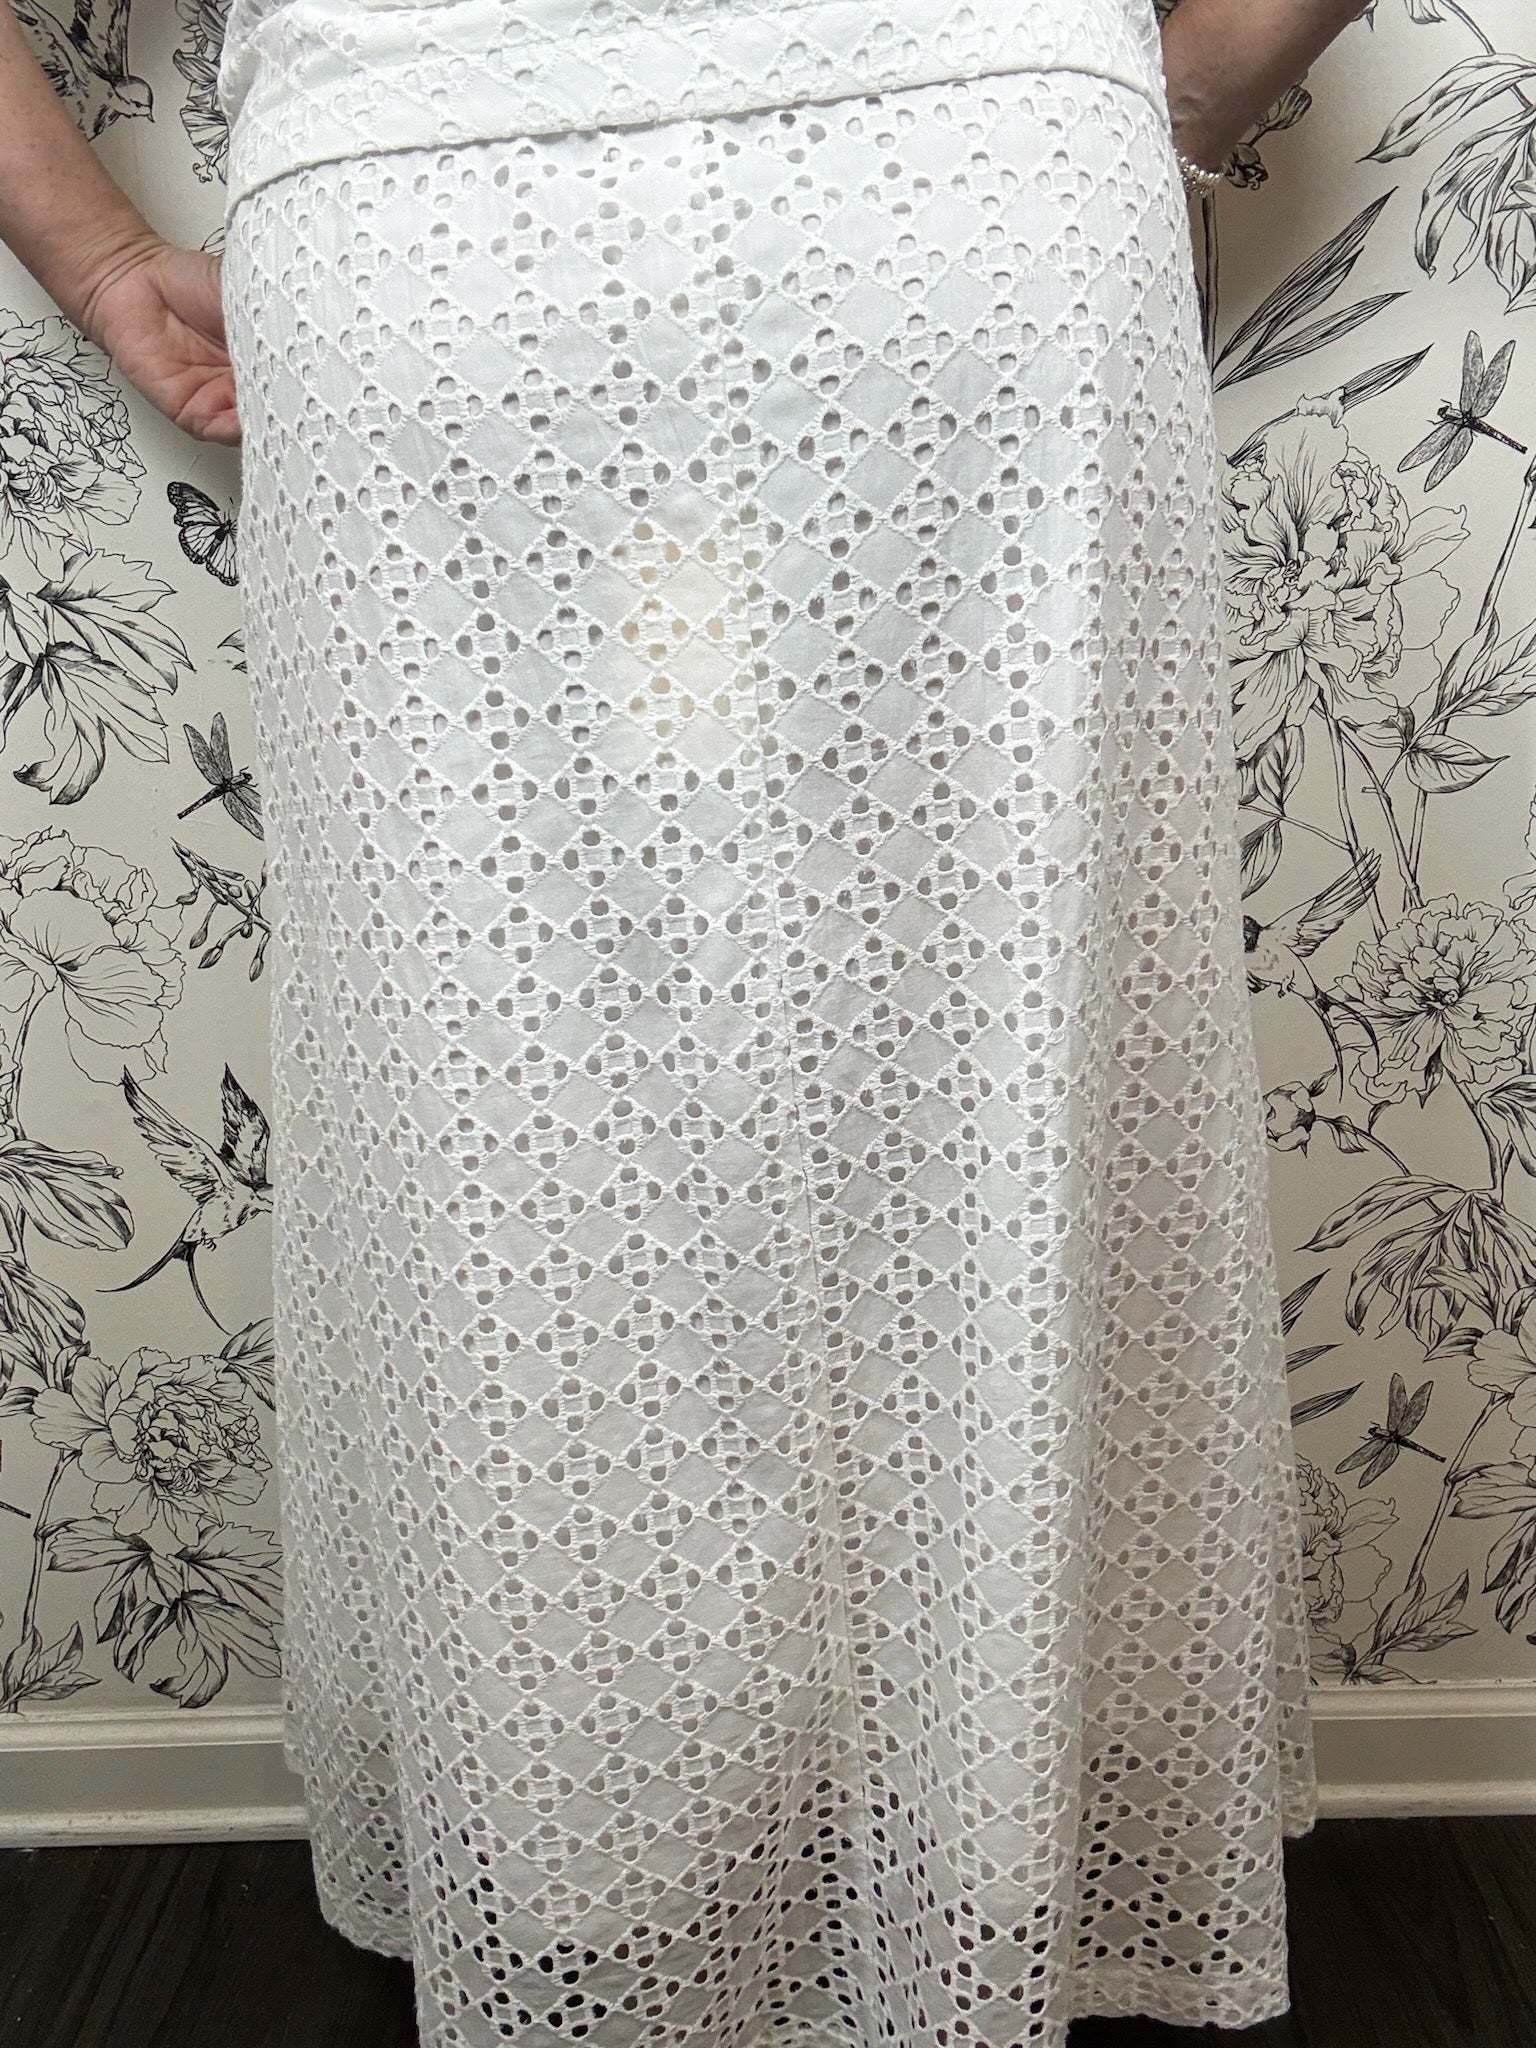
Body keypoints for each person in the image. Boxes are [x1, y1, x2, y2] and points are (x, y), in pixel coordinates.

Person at [0, 3, 1363, 2044]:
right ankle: (983, 1855)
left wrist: (111, 257)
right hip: (970, 194)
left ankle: (593, 1878)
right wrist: (1112, 84)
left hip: (432, 239)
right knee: (995, 1063)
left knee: (514, 1096)